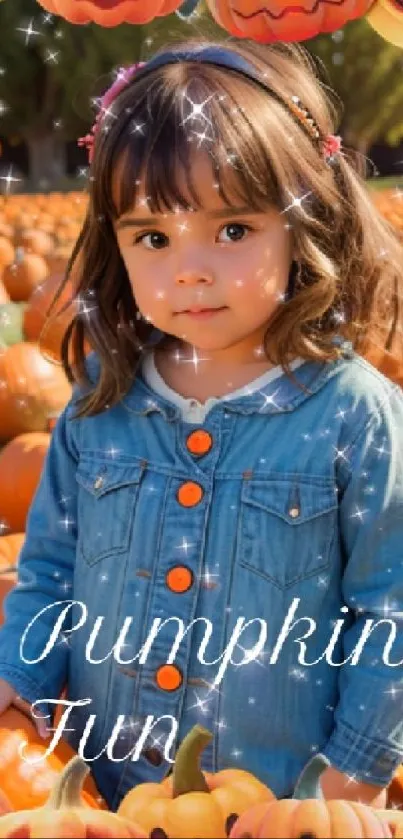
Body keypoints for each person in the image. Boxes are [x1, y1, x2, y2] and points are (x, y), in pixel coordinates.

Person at [0, 37, 402, 813]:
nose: (188, 269)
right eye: (152, 235)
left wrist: (350, 777)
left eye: (231, 229)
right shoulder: (100, 397)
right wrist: (19, 679)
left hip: (281, 804)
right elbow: (48, 567)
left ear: (302, 220)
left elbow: (389, 609)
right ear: (116, 243)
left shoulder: (354, 413)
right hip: (107, 800)